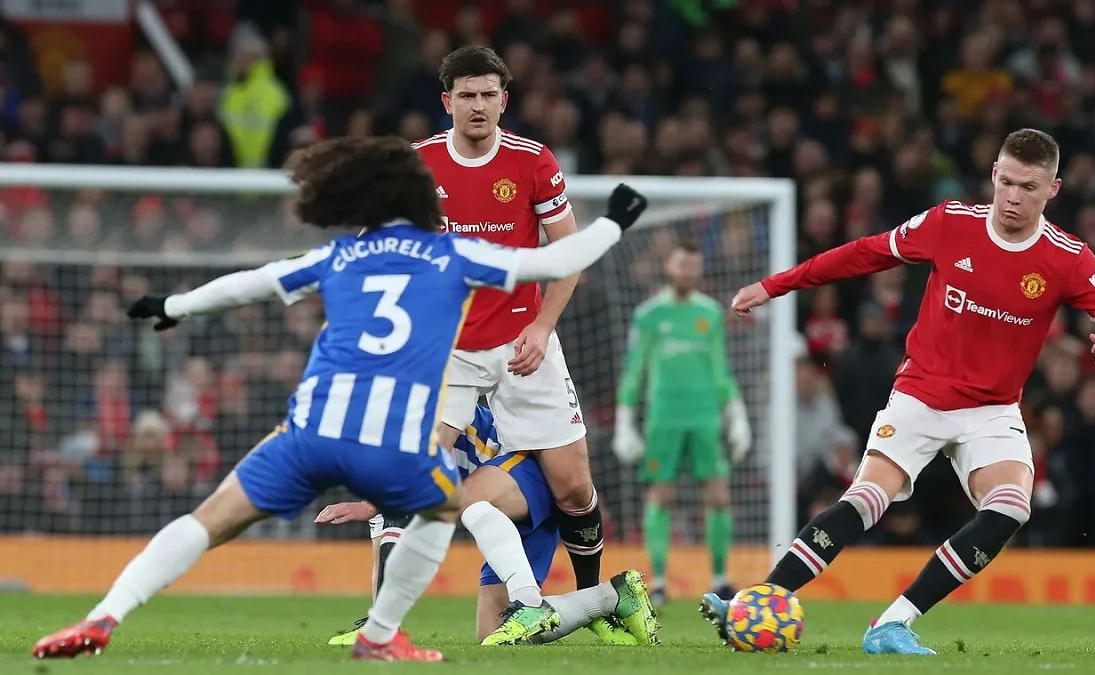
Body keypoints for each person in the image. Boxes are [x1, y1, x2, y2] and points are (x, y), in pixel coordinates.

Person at [31, 136, 649, 662]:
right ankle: (381, 634)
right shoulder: (453, 255)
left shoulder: (341, 253)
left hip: (309, 433)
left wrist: (174, 305)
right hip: (390, 446)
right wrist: (615, 220)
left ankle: (104, 616)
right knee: (442, 509)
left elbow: (252, 284)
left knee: (206, 522)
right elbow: (558, 257)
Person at [702, 128, 1095, 655]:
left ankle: (892, 624)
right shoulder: (950, 223)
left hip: (992, 409)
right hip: (920, 396)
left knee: (1011, 507)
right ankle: (756, 602)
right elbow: (865, 253)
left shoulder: (1068, 258)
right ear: (993, 174)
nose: (1011, 197)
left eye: (1028, 187)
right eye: (1005, 182)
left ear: (1052, 189)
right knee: (866, 499)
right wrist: (775, 284)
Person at [413, 45, 606, 625]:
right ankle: (380, 620)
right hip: (453, 349)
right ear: (447, 102)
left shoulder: (533, 160)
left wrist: (543, 327)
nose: (477, 105)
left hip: (524, 344)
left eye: (487, 95)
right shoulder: (417, 166)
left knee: (573, 488)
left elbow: (570, 253)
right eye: (466, 95)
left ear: (504, 101)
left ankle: (594, 601)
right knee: (415, 467)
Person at [318, 405, 660, 647]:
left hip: (526, 467)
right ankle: (612, 597)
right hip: (500, 510)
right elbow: (385, 535)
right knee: (494, 634)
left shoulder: (408, 415)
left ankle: (531, 605)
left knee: (454, 500)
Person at [612, 238, 751, 604]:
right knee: (661, 495)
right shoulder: (648, 315)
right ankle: (658, 582)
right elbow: (634, 371)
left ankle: (720, 579)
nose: (688, 272)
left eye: (693, 265)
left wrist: (736, 412)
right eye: (682, 264)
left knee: (719, 495)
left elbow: (720, 369)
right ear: (668, 266)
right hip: (664, 418)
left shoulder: (710, 313)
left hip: (705, 417)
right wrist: (624, 420)